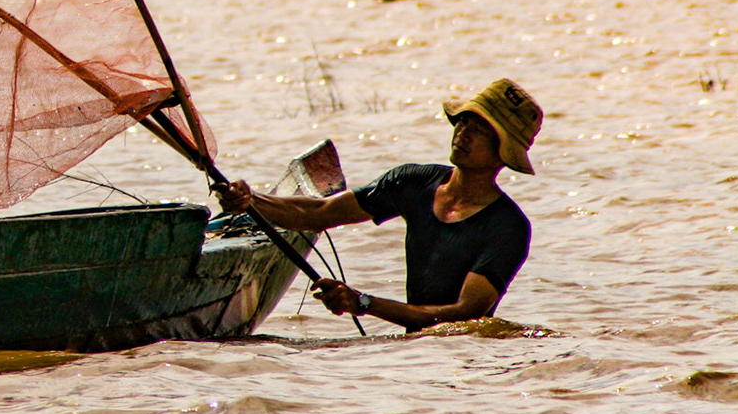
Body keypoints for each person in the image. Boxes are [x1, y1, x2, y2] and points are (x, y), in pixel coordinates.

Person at [215, 79, 542, 331]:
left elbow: (463, 317)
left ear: (503, 152)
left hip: (469, 356)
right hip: (418, 346)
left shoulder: (508, 227)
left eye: (481, 130)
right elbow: (319, 213)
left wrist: (364, 303)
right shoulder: (413, 182)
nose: (463, 133)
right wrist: (250, 200)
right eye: (464, 121)